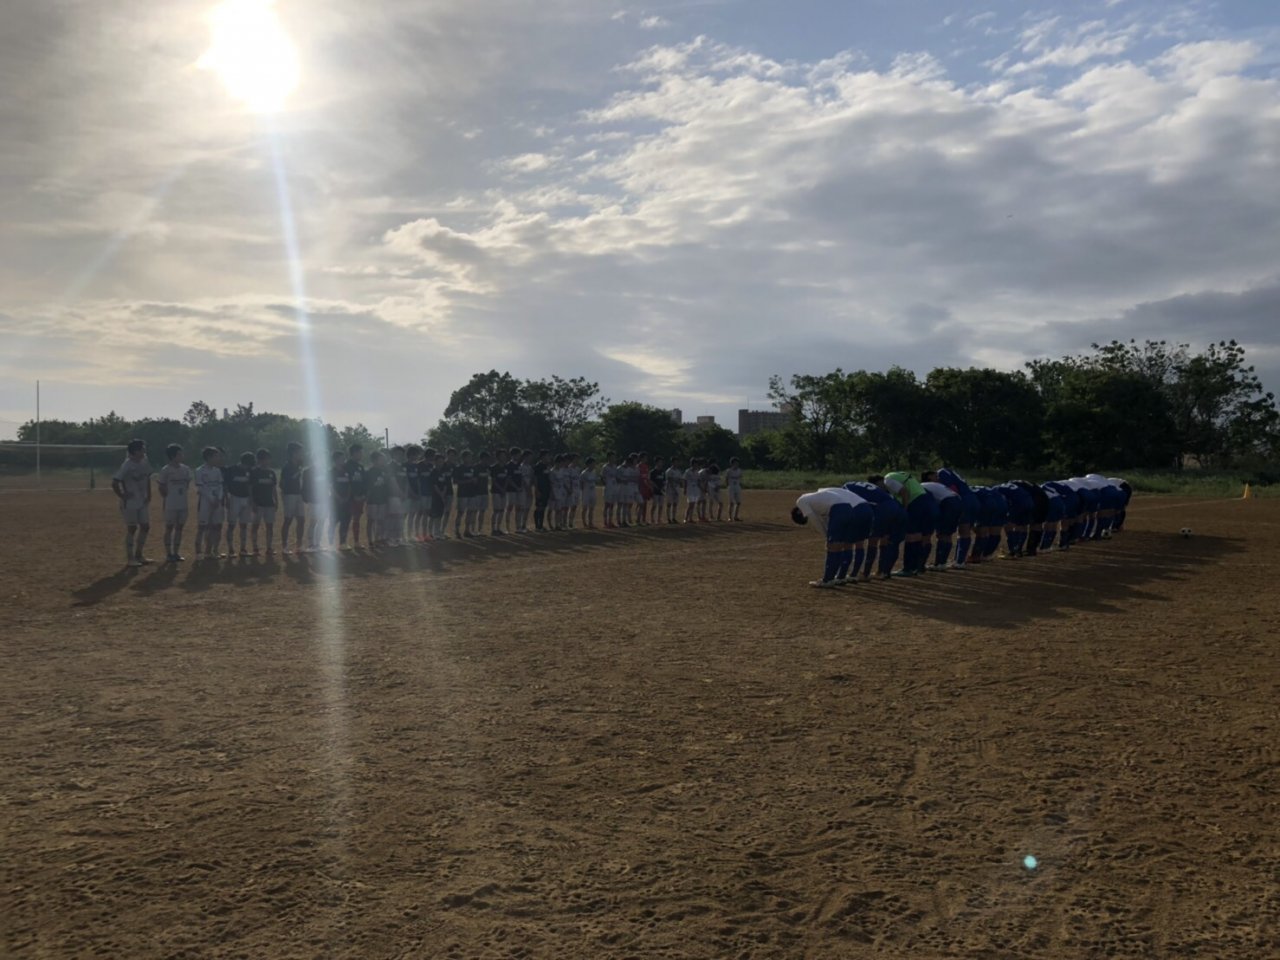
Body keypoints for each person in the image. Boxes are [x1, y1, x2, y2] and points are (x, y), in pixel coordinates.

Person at [791, 487, 875, 588]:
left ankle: (828, 579)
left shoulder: (801, 501)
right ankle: (840, 577)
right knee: (844, 544)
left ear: (799, 512)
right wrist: (829, 534)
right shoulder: (817, 499)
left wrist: (827, 536)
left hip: (838, 510)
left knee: (833, 547)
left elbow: (814, 520)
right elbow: (825, 521)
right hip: (850, 509)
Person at [874, 471, 938, 576]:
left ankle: (908, 568)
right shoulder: (898, 475)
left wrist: (905, 509)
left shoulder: (888, 479)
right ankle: (917, 567)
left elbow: (904, 492)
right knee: (920, 536)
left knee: (911, 536)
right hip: (926, 500)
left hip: (916, 502)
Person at [843, 480, 907, 579]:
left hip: (883, 509)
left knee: (873, 540)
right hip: (897, 506)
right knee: (887, 540)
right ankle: (883, 572)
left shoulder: (846, 489)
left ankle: (866, 573)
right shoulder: (855, 485)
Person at [112, 439, 154, 567]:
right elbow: (115, 482)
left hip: (142, 500)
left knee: (145, 526)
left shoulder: (144, 461)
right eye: (142, 449)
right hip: (130, 502)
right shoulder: (127, 465)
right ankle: (130, 558)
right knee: (132, 528)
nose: (144, 451)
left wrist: (149, 494)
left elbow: (147, 477)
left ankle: (139, 555)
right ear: (136, 451)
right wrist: (122, 495)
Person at [928, 468, 980, 569]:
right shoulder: (951, 473)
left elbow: (953, 489)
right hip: (972, 499)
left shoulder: (942, 473)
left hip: (963, 501)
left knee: (951, 532)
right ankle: (960, 561)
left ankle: (948, 562)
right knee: (965, 532)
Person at [156, 443, 191, 564]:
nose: (182, 456)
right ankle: (168, 553)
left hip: (183, 504)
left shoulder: (186, 469)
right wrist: (168, 497)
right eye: (179, 454)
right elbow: (161, 486)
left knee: (180, 528)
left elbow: (187, 484)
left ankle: (176, 552)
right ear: (172, 456)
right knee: (169, 528)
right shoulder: (165, 470)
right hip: (170, 504)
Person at [920, 479, 962, 569]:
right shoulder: (925, 484)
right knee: (948, 535)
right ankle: (942, 562)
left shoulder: (920, 488)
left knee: (942, 534)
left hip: (948, 502)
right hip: (957, 500)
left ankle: (939, 563)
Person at [193, 446, 225, 560]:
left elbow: (220, 485)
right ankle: (198, 552)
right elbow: (201, 488)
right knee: (202, 527)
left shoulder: (217, 471)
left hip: (217, 502)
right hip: (205, 503)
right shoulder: (199, 471)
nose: (218, 458)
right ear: (209, 457)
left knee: (217, 526)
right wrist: (211, 499)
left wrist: (219, 498)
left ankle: (212, 550)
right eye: (216, 456)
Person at [224, 451, 255, 557]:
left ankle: (243, 549)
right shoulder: (231, 469)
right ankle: (230, 549)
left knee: (244, 525)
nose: (248, 467)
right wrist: (227, 498)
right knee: (231, 524)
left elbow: (250, 486)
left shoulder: (250, 470)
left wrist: (251, 498)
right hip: (234, 498)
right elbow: (226, 485)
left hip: (246, 499)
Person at [249, 448, 279, 556]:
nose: (267, 461)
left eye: (268, 459)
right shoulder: (254, 472)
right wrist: (252, 502)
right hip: (258, 504)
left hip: (269, 503)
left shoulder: (271, 472)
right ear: (259, 460)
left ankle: (269, 547)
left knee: (269, 526)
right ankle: (255, 548)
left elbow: (274, 488)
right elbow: (250, 489)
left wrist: (276, 501)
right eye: (265, 459)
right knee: (255, 526)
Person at [279, 442, 305, 554]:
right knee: (288, 520)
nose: (301, 454)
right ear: (293, 453)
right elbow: (282, 484)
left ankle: (299, 545)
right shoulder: (287, 467)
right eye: (299, 452)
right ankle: (284, 546)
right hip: (290, 495)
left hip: (299, 495)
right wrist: (285, 495)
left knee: (301, 520)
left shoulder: (299, 465)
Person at [364, 450, 391, 545]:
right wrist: (367, 500)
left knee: (381, 520)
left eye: (383, 459)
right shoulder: (369, 472)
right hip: (372, 500)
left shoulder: (384, 471)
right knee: (371, 520)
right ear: (374, 460)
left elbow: (386, 485)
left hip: (382, 499)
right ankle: (370, 540)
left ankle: (378, 538)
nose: (383, 461)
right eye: (381, 459)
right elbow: (367, 488)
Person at [344, 444, 368, 548]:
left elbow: (364, 483)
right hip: (349, 498)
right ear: (354, 453)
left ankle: (356, 542)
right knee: (346, 519)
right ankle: (342, 542)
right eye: (360, 452)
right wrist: (353, 496)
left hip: (360, 498)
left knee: (357, 519)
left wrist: (363, 495)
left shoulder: (361, 467)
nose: (362, 454)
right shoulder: (346, 466)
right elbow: (347, 483)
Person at [300, 453, 325, 552]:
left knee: (321, 521)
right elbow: (304, 486)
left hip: (322, 500)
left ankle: (318, 543)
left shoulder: (323, 470)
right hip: (313, 500)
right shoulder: (307, 471)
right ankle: (311, 544)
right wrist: (307, 498)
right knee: (313, 521)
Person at [330, 450, 353, 549]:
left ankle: (342, 543)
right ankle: (330, 543)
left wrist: (347, 496)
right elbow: (330, 487)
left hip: (346, 501)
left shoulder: (346, 471)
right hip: (336, 501)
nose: (344, 460)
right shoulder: (332, 472)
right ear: (336, 460)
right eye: (342, 458)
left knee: (346, 521)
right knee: (334, 521)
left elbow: (349, 485)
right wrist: (338, 498)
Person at [387, 446, 408, 546]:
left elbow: (406, 481)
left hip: (403, 496)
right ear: (393, 454)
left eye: (402, 454)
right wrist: (400, 493)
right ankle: (391, 538)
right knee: (393, 517)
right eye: (398, 454)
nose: (400, 456)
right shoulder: (391, 465)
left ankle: (399, 537)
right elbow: (393, 481)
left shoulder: (403, 466)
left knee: (401, 517)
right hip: (393, 496)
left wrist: (405, 493)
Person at [533, 450, 552, 531]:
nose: (549, 457)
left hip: (546, 489)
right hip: (540, 489)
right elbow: (535, 478)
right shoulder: (538, 466)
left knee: (543, 507)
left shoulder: (547, 466)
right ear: (543, 456)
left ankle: (540, 525)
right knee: (539, 507)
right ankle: (537, 526)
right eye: (547, 456)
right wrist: (537, 490)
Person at [580, 457, 598, 529]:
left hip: (593, 491)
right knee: (585, 508)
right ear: (589, 464)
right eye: (593, 463)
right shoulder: (584, 473)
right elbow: (581, 483)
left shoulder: (594, 473)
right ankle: (584, 523)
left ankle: (590, 522)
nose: (594, 465)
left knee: (591, 508)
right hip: (586, 492)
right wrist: (584, 491)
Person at [683, 457, 702, 523]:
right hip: (690, 489)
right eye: (695, 464)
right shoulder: (687, 471)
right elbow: (685, 480)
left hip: (696, 489)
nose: (696, 465)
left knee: (693, 504)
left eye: (697, 464)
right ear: (692, 464)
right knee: (690, 504)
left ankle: (690, 518)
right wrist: (685, 489)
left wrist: (701, 488)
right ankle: (685, 518)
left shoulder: (697, 472)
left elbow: (698, 481)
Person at [648, 456, 666, 523]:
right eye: (659, 462)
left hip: (661, 491)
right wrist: (655, 487)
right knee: (654, 505)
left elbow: (664, 480)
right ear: (656, 463)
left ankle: (659, 519)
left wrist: (663, 487)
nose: (661, 463)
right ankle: (652, 518)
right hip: (655, 491)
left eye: (661, 462)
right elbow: (651, 481)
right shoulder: (653, 472)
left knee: (661, 505)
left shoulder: (663, 471)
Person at [665, 459, 683, 524]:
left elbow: (680, 480)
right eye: (675, 462)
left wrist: (680, 485)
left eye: (677, 462)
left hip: (677, 488)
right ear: (672, 463)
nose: (676, 463)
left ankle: (674, 517)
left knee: (675, 504)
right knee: (669, 504)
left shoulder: (678, 471)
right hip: (670, 489)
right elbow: (670, 480)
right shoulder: (669, 471)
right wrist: (674, 489)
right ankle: (668, 518)